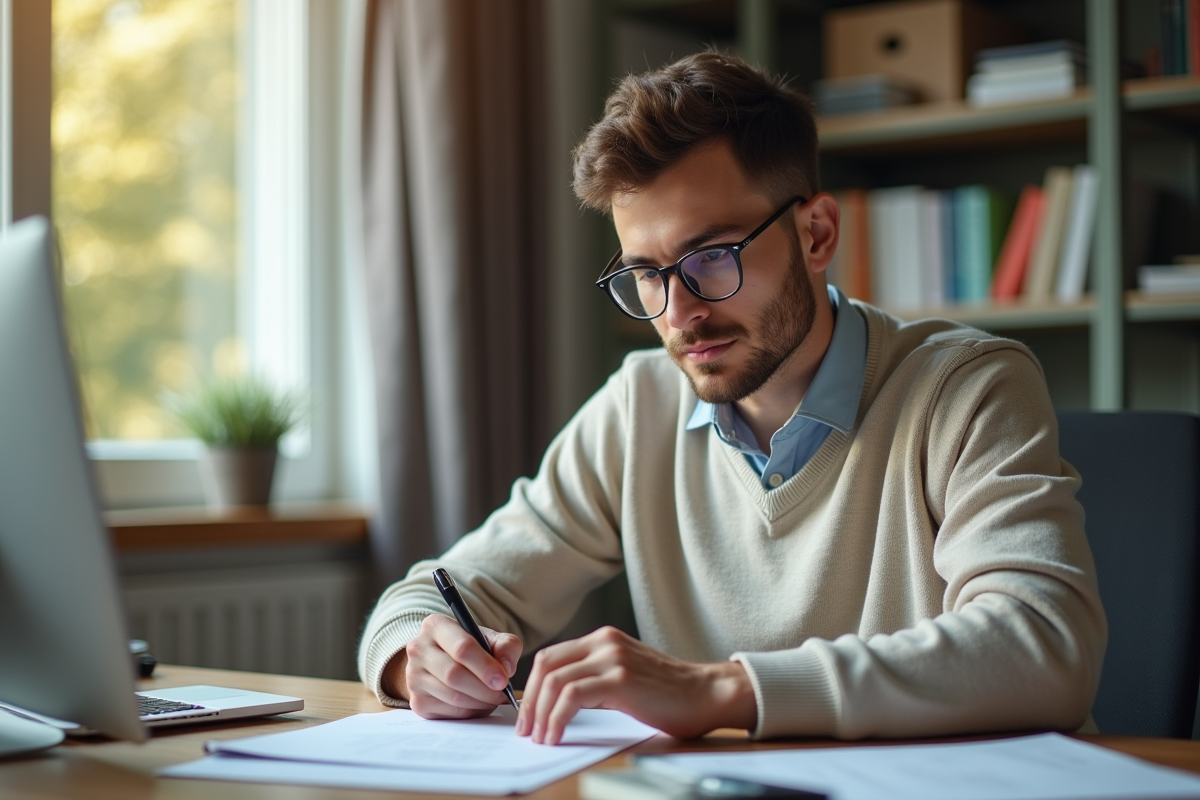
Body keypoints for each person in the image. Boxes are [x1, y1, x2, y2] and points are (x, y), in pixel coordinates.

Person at [357, 50, 1107, 744]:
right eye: (647, 273)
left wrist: (724, 689)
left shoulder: (967, 386)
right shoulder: (637, 407)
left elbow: (1043, 644)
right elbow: (432, 595)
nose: (679, 313)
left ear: (816, 235)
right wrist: (415, 658)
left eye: (712, 257)